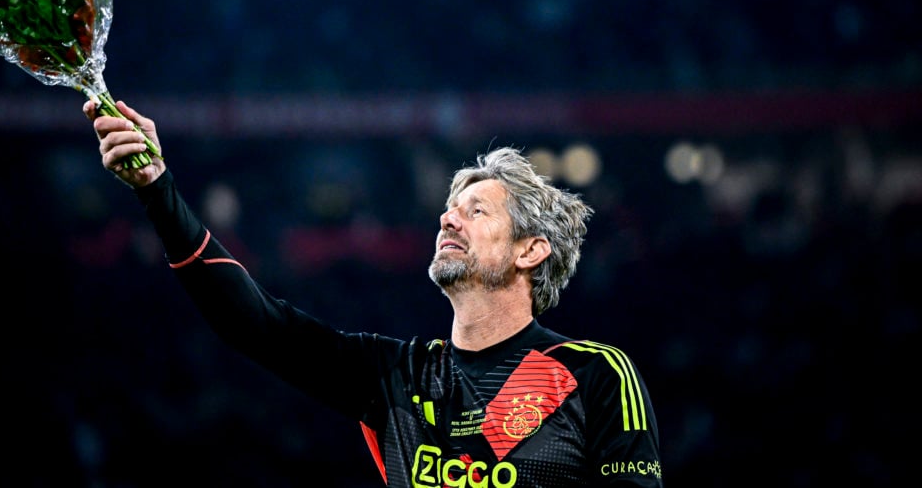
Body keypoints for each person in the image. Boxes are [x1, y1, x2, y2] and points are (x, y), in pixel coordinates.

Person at [83, 98, 664, 487]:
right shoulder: (397, 376)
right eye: (446, 210)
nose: (447, 221)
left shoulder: (594, 376)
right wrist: (158, 190)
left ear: (529, 251)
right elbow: (254, 325)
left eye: (475, 211)